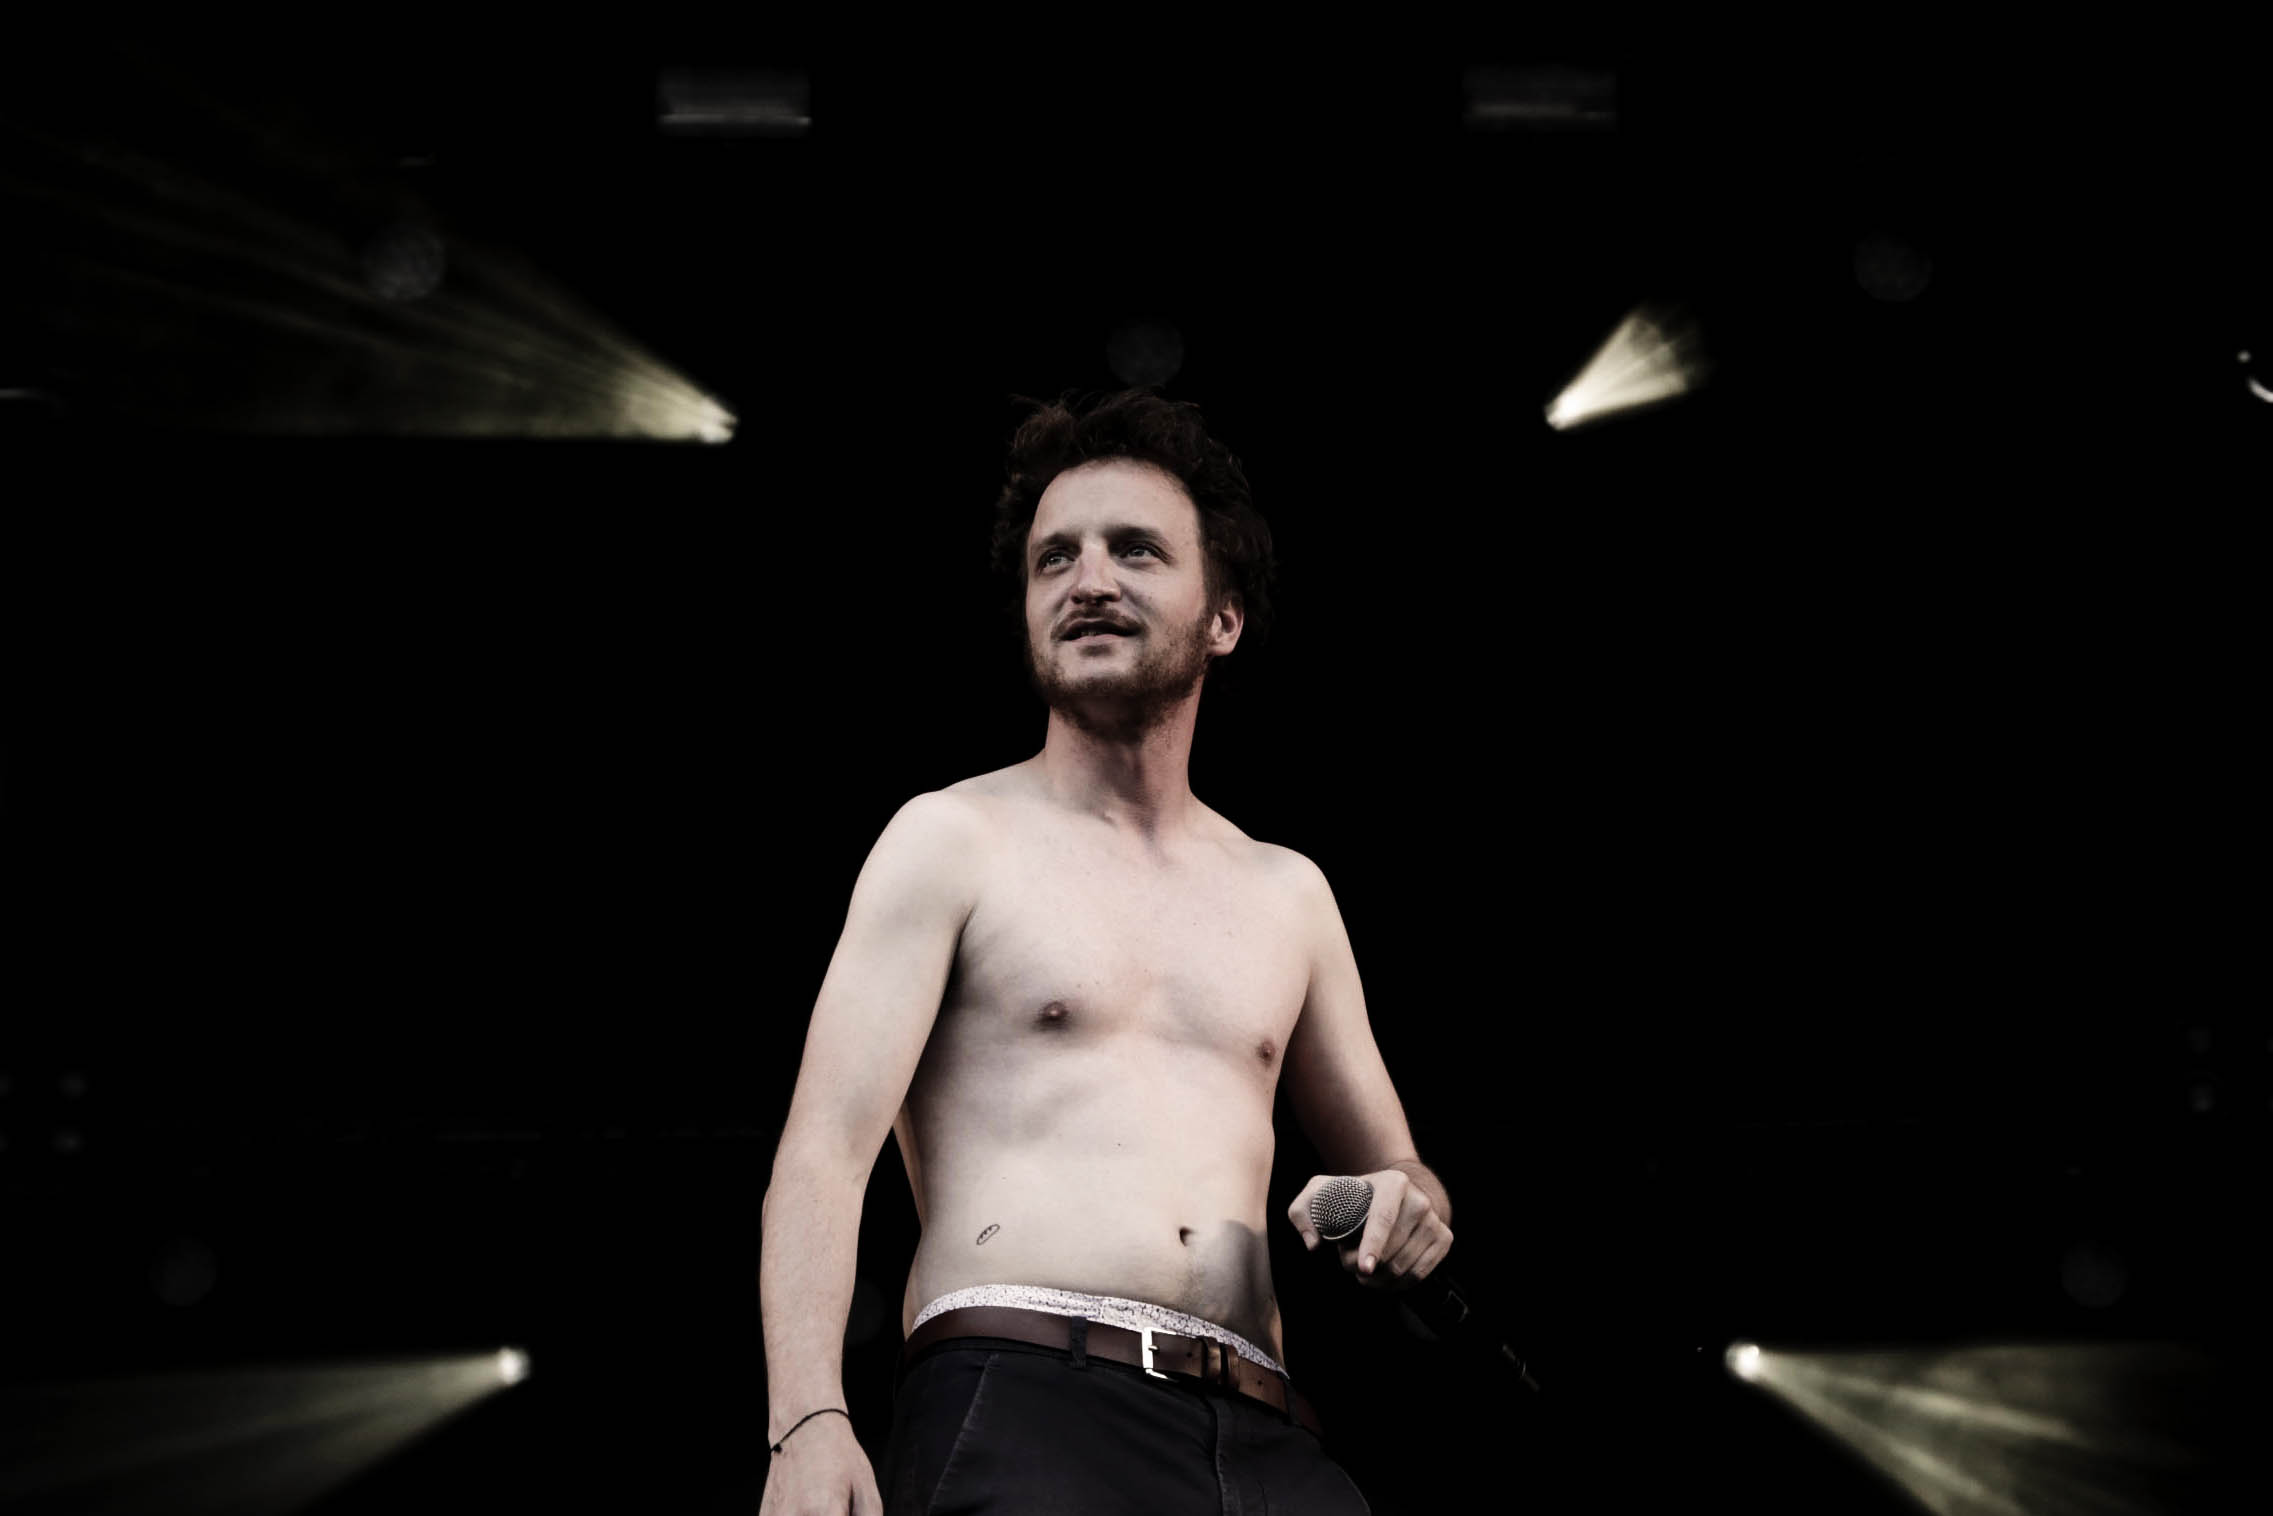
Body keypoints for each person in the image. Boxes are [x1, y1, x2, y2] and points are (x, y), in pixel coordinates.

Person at [757, 387, 1454, 1515]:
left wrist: (1402, 1205)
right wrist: (806, 1419)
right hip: (1026, 1392)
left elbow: (1400, 1169)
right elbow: (823, 1152)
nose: (1086, 581)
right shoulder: (950, 838)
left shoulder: (1288, 892)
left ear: (1222, 619)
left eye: (1134, 550)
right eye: (1054, 559)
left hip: (1270, 1434)